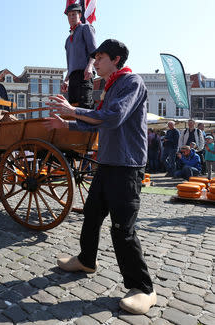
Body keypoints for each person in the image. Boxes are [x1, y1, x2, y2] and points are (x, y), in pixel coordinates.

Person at [43, 39, 156, 315]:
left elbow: (113, 117)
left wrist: (74, 111)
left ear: (116, 59)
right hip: (107, 163)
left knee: (122, 229)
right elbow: (98, 121)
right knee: (92, 214)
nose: (94, 63)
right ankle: (86, 260)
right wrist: (67, 122)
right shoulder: (110, 85)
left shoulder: (131, 82)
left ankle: (144, 289)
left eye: (100, 57)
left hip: (126, 167)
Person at [62, 3, 97, 109]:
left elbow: (94, 51)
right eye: (69, 15)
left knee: (85, 105)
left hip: (85, 74)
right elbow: (71, 63)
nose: (71, 17)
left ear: (80, 15)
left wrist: (90, 66)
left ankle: (90, 126)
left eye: (74, 14)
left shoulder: (86, 28)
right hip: (73, 78)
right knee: (73, 107)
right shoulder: (68, 40)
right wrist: (66, 79)